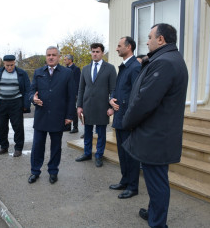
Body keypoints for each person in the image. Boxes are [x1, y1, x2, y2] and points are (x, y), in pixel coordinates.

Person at [122, 23, 188, 227]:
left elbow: (145, 101)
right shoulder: (165, 59)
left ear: (161, 39)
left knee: (157, 183)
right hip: (158, 133)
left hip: (156, 135)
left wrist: (127, 122)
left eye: (150, 37)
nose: (147, 41)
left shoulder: (165, 63)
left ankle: (158, 223)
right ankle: (153, 212)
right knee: (155, 180)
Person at [28, 46, 75, 184]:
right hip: (41, 116)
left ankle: (53, 171)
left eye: (54, 55)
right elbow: (31, 91)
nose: (51, 57)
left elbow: (72, 96)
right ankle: (35, 171)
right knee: (37, 146)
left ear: (59, 57)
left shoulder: (67, 73)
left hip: (58, 116)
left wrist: (69, 116)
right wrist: (33, 99)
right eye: (48, 55)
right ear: (45, 56)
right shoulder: (38, 72)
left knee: (55, 146)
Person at [108, 37, 141, 199]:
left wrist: (130, 116)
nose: (117, 49)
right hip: (120, 118)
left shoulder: (135, 67)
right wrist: (112, 99)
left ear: (129, 47)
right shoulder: (124, 66)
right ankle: (125, 180)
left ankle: (133, 186)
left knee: (131, 155)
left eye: (119, 46)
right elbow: (118, 89)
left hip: (128, 120)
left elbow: (137, 95)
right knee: (122, 153)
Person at [76, 43, 117, 167]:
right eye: (93, 51)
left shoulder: (110, 68)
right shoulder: (85, 69)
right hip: (87, 106)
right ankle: (87, 153)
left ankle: (99, 155)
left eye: (97, 51)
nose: (95, 54)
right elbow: (81, 89)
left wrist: (111, 108)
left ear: (102, 53)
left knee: (101, 134)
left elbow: (113, 89)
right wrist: (79, 106)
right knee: (87, 132)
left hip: (102, 107)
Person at [0, 55, 31, 157]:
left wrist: (26, 104)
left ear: (14, 62)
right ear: (4, 63)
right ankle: (3, 146)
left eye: (12, 65)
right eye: (7, 65)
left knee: (18, 127)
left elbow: (27, 89)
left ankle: (18, 148)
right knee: (1, 127)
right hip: (1, 103)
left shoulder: (22, 73)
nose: (9, 67)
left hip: (16, 102)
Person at [63, 54, 81, 133]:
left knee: (73, 110)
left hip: (74, 93)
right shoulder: (64, 69)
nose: (64, 61)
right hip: (66, 93)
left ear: (70, 60)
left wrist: (76, 94)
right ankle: (68, 126)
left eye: (65, 59)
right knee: (66, 109)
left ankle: (75, 127)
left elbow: (78, 82)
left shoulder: (76, 69)